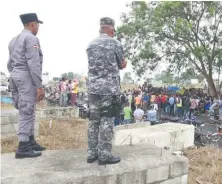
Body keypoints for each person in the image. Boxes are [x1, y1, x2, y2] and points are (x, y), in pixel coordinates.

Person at [86, 17, 127, 165]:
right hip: (109, 89)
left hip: (92, 89)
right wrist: (123, 64)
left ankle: (91, 153)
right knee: (106, 121)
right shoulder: (115, 44)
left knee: (94, 121)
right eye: (114, 30)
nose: (114, 32)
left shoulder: (91, 44)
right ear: (110, 29)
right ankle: (104, 155)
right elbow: (121, 64)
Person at [7, 13, 45, 159]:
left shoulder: (13, 40)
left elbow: (9, 63)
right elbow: (33, 63)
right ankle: (23, 146)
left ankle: (30, 141)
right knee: (27, 111)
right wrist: (39, 85)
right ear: (32, 24)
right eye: (38, 25)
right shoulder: (31, 38)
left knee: (27, 109)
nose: (38, 28)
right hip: (25, 77)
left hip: (15, 76)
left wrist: (15, 74)